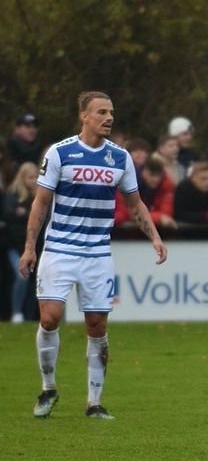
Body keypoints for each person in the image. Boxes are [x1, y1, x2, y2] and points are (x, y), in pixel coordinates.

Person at [20, 91, 167, 420]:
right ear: (84, 117)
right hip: (59, 249)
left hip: (98, 254)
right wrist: (31, 247)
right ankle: (48, 389)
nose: (108, 118)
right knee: (49, 318)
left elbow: (134, 204)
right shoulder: (60, 153)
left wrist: (154, 236)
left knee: (97, 324)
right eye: (101, 112)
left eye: (111, 112)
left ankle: (94, 402)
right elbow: (41, 202)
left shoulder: (120, 158)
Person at [4, 162, 40, 322]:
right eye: (30, 177)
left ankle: (31, 315)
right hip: (15, 246)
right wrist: (27, 213)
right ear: (22, 178)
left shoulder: (39, 195)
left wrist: (24, 212)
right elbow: (10, 215)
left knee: (33, 280)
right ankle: (17, 312)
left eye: (36, 177)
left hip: (34, 246)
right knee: (22, 276)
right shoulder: (13, 194)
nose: (33, 180)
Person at [115, 156, 177, 232]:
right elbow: (130, 213)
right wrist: (159, 218)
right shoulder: (129, 185)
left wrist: (158, 217)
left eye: (158, 175)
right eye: (152, 175)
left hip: (156, 231)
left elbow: (166, 214)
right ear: (144, 172)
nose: (156, 179)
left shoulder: (167, 186)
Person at [174, 160, 208, 231]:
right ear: (193, 178)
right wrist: (205, 217)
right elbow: (179, 214)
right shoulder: (183, 188)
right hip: (185, 232)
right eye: (203, 179)